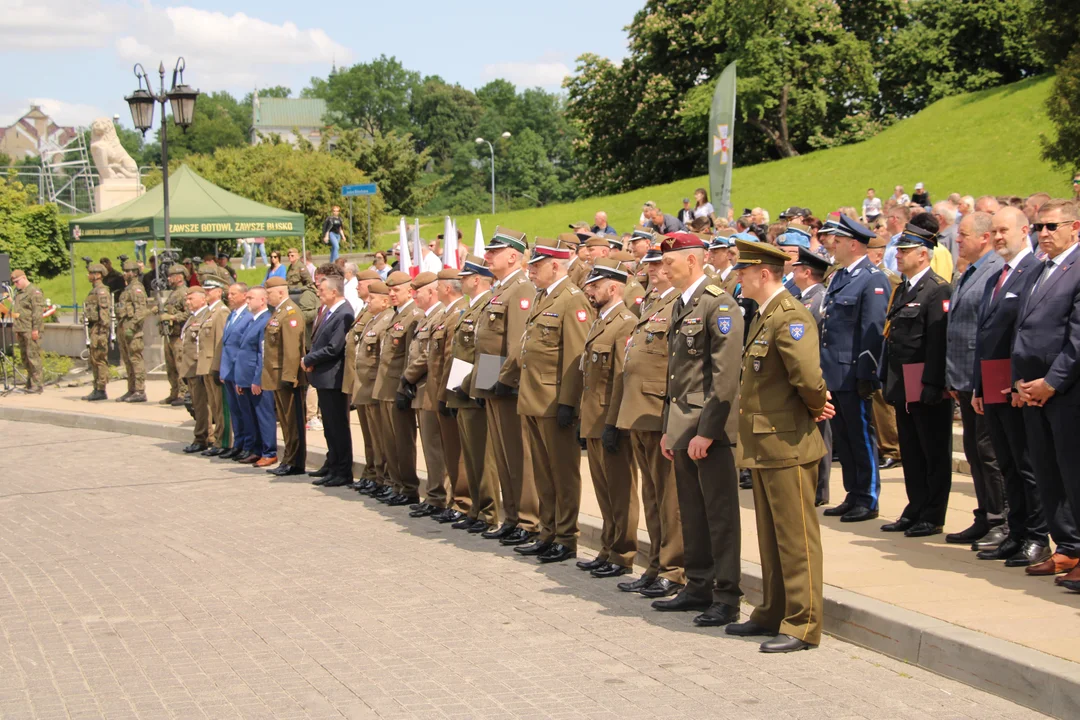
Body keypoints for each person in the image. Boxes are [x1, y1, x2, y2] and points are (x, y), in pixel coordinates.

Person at [725, 238, 832, 653]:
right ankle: (773, 610)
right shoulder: (764, 315)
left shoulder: (790, 316)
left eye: (744, 271)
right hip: (766, 442)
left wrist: (819, 405)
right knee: (771, 536)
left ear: (763, 274)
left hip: (787, 442)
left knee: (796, 537)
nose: (739, 276)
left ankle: (803, 623)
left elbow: (806, 377)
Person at [655, 232, 744, 627]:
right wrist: (669, 429)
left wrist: (707, 431)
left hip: (710, 428)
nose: (663, 268)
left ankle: (726, 595)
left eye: (669, 261)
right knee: (692, 511)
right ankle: (698, 585)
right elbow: (676, 374)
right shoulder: (683, 302)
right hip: (683, 425)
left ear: (692, 260)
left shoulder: (718, 303)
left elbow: (724, 377)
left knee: (720, 513)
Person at [970, 206, 1051, 568]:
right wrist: (977, 386)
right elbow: (984, 336)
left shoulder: (1034, 271)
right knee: (1006, 462)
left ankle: (1037, 536)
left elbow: (1026, 335)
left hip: (1016, 385)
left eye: (1005, 230)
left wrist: (1019, 383)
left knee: (1026, 465)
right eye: (995, 231)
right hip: (992, 382)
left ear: (1024, 231)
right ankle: (1016, 533)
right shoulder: (995, 277)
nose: (999, 237)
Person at [607, 248, 686, 597]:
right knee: (652, 496)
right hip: (639, 411)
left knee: (669, 500)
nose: (653, 271)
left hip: (658, 411)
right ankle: (655, 564)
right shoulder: (653, 303)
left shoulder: (680, 305)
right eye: (650, 265)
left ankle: (674, 568)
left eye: (659, 265)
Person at [1012, 199, 1080, 589]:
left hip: (1066, 393)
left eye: (1052, 226)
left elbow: (1076, 338)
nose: (1044, 234)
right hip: (1033, 393)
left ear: (1075, 227)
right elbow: (1024, 331)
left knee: (1073, 475)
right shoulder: (1040, 269)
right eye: (1039, 227)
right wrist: (1021, 382)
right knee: (1048, 474)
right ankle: (1068, 547)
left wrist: (1051, 382)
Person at [510, 241, 591, 564]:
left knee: (563, 473)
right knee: (543, 472)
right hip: (533, 399)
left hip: (554, 400)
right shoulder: (545, 297)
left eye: (536, 265)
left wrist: (569, 403)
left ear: (556, 266)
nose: (531, 271)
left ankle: (566, 536)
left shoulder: (572, 300)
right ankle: (548, 530)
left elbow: (575, 357)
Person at [466, 227, 540, 545]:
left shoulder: (521, 290)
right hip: (494, 383)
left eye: (493, 252)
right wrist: (483, 387)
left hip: (508, 387)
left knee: (517, 455)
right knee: (503, 454)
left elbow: (514, 344)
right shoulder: (500, 290)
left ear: (513, 256)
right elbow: (487, 344)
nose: (487, 257)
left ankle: (527, 519)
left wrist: (504, 382)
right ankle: (511, 517)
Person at [880, 223, 953, 538]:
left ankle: (933, 514)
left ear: (923, 254)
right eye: (899, 249)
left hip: (924, 382)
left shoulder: (937, 289)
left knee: (933, 450)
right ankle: (916, 506)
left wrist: (934, 385)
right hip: (903, 382)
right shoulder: (904, 288)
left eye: (905, 250)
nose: (898, 255)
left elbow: (938, 341)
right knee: (911, 449)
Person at [819, 215, 891, 523]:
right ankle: (853, 492)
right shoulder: (838, 277)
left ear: (853, 244)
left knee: (861, 437)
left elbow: (872, 329)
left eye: (837, 241)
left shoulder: (872, 278)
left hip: (853, 373)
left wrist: (867, 373)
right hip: (834, 371)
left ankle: (868, 496)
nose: (832, 245)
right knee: (844, 439)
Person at [944, 212, 1007, 550]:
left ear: (984, 238)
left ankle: (1000, 519)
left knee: (988, 451)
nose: (959, 240)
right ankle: (984, 515)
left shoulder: (994, 270)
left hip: (982, 377)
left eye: (964, 234)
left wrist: (980, 380)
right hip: (964, 377)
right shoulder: (967, 271)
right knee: (974, 449)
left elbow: (988, 332)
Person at [576, 259, 640, 578]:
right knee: (604, 490)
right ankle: (607, 547)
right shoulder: (601, 320)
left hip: (609, 418)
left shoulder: (624, 322)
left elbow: (620, 378)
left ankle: (623, 553)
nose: (590, 290)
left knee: (620, 490)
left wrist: (614, 423)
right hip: (594, 417)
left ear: (613, 288)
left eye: (596, 286)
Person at [373, 271, 424, 505]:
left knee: (402, 441)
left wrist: (406, 385)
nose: (391, 294)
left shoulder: (413, 315)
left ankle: (408, 487)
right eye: (389, 290)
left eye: (396, 290)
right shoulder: (396, 315)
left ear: (409, 291)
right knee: (390, 441)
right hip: (385, 387)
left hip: (398, 387)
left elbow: (412, 356)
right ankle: (396, 484)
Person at [400, 271, 449, 515]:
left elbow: (427, 354)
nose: (414, 296)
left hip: (430, 387)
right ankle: (434, 495)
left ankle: (438, 496)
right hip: (420, 389)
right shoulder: (425, 318)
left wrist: (407, 376)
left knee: (435, 447)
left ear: (431, 292)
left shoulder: (440, 315)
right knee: (430, 447)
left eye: (417, 292)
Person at [302, 275, 355, 487]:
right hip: (324, 377)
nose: (319, 293)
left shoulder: (344, 313)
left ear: (334, 292)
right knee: (330, 427)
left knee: (337, 426)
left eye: (322, 290)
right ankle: (333, 464)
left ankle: (342, 471)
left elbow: (335, 347)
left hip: (334, 377)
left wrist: (309, 358)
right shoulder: (330, 311)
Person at [428, 268, 471, 523]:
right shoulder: (448, 313)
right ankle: (457, 500)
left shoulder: (457, 313)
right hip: (443, 390)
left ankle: (463, 502)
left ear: (446, 288)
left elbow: (457, 359)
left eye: (438, 286)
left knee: (459, 453)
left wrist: (451, 392)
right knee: (451, 451)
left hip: (453, 389)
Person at [791, 249, 833, 506]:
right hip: (807, 374)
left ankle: (820, 488)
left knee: (820, 433)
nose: (793, 272)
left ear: (807, 272)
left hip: (816, 374)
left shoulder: (819, 299)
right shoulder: (801, 297)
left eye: (797, 268)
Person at [350, 280, 395, 497]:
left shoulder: (386, 320)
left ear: (385, 301)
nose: (368, 302)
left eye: (372, 298)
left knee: (382, 439)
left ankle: (385, 478)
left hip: (375, 386)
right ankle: (377, 476)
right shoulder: (373, 320)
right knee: (372, 438)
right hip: (365, 385)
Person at [262, 276, 307, 477]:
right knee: (286, 421)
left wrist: (290, 377)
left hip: (286, 376)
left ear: (280, 292)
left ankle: (294, 461)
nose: (267, 297)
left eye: (269, 293)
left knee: (292, 421)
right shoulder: (279, 312)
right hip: (276, 374)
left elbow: (292, 349)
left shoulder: (289, 313)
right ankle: (288, 458)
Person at [233, 286, 277, 467]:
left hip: (257, 378)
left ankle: (269, 451)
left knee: (264, 416)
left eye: (251, 298)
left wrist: (257, 379)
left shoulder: (266, 320)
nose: (248, 300)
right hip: (245, 377)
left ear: (262, 300)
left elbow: (263, 353)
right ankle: (256, 450)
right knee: (251, 417)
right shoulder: (253, 320)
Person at [217, 283, 253, 462]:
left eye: (233, 294)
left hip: (239, 370)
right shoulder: (232, 315)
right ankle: (238, 444)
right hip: (228, 370)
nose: (229, 297)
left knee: (244, 410)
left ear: (244, 295)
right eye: (228, 294)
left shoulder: (248, 316)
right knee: (235, 411)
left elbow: (243, 347)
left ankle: (248, 445)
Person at [197, 278, 232, 455]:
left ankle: (224, 442)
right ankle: (219, 440)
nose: (206, 293)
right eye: (205, 290)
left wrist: (219, 367)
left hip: (214, 365)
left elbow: (221, 342)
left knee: (220, 407)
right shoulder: (209, 312)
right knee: (214, 405)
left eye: (210, 290)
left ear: (219, 292)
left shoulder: (221, 312)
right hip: (206, 365)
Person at [113, 260, 150, 403]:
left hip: (132, 330)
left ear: (134, 273)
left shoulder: (136, 289)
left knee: (136, 359)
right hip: (124, 326)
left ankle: (140, 390)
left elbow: (141, 311)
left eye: (127, 271)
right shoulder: (127, 288)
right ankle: (132, 389)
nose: (124, 274)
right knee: (127, 360)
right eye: (124, 271)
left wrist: (133, 327)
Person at [179, 286, 211, 452]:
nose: (188, 302)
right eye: (187, 299)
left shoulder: (207, 316)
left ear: (202, 299)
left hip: (198, 367)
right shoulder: (193, 317)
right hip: (190, 368)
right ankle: (204, 436)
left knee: (201, 405)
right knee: (198, 405)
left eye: (191, 299)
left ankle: (202, 438)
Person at [156, 265, 191, 406]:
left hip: (179, 335)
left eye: (171, 276)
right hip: (169, 335)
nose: (169, 278)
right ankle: (174, 392)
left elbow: (189, 314)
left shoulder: (184, 293)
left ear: (179, 277)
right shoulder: (174, 293)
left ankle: (184, 393)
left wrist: (171, 316)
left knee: (180, 365)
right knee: (171, 367)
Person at [9, 269, 44, 394]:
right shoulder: (19, 293)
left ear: (24, 278)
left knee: (33, 357)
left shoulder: (34, 292)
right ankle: (30, 382)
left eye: (17, 281)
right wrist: (17, 330)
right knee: (25, 358)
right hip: (21, 328)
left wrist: (36, 329)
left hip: (30, 329)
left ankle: (37, 384)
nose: (16, 284)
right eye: (14, 282)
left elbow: (37, 313)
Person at [82, 263, 112, 401]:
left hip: (99, 329)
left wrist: (102, 331)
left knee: (99, 359)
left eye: (90, 273)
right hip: (94, 328)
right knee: (94, 359)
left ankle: (101, 388)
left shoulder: (101, 291)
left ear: (97, 275)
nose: (88, 276)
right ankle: (97, 387)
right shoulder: (93, 291)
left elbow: (104, 312)